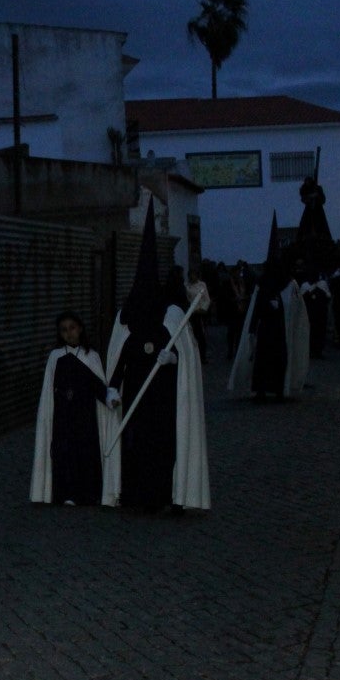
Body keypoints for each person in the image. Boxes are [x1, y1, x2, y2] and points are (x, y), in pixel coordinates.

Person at [103, 204, 210, 515]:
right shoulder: (126, 314)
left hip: (164, 397)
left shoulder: (174, 314)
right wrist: (112, 386)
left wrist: (174, 360)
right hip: (135, 391)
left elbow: (188, 357)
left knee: (163, 445)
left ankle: (166, 494)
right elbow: (118, 356)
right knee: (135, 445)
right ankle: (135, 494)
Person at [28, 312, 113, 506]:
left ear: (80, 329)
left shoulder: (91, 357)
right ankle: (66, 493)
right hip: (63, 416)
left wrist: (109, 398)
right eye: (64, 330)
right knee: (64, 455)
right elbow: (49, 390)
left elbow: (99, 385)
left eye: (72, 328)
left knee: (85, 453)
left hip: (85, 416)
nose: (69, 333)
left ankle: (88, 493)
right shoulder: (55, 357)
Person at [229, 214, 310, 402]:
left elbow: (296, 310)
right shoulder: (263, 283)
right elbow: (255, 309)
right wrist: (252, 328)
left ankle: (278, 389)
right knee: (263, 360)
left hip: (281, 330)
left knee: (277, 360)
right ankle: (262, 390)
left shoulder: (289, 284)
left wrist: (278, 308)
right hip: (266, 329)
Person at [185, 267, 212, 363]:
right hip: (192, 313)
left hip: (200, 312)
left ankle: (202, 356)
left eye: (194, 274)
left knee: (201, 335)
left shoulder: (202, 285)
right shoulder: (187, 286)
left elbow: (207, 299)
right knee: (193, 334)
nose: (193, 276)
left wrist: (203, 309)